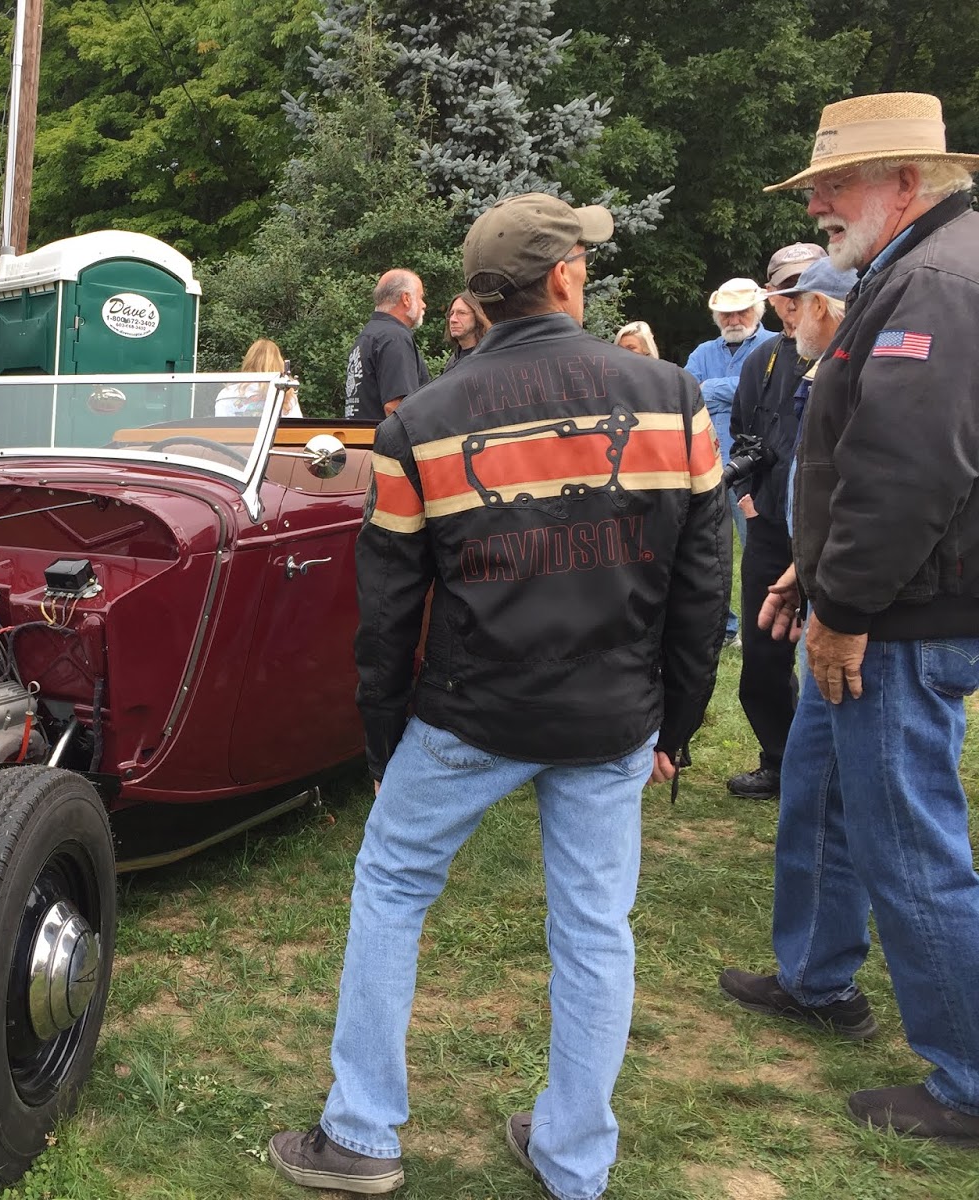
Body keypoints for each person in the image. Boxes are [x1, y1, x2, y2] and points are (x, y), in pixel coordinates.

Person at [269, 193, 728, 1198]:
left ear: (483, 293)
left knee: (390, 886)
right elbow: (702, 583)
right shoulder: (668, 399)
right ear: (563, 276)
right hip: (613, 716)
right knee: (594, 928)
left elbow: (386, 613)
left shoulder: (420, 424)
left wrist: (383, 748)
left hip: (470, 713)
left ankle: (359, 1136)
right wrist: (677, 727)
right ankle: (572, 1160)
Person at [719, 91, 979, 1147]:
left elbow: (910, 467)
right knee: (820, 790)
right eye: (813, 187)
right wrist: (808, 579)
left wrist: (849, 604)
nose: (816, 201)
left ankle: (966, 1079)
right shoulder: (909, 263)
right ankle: (819, 979)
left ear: (906, 180)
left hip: (899, 619)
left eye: (833, 182)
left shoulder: (937, 277)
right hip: (868, 596)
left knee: (905, 835)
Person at [721, 243, 826, 799]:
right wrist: (743, 492)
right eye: (784, 294)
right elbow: (745, 434)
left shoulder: (843, 349)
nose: (792, 306)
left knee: (828, 650)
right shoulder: (763, 360)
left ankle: (825, 771)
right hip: (768, 528)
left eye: (801, 292)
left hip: (829, 530)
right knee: (763, 653)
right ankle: (780, 760)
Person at [686, 277, 777, 645]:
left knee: (759, 549)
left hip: (759, 469)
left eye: (741, 311)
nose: (733, 318)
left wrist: (713, 388)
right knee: (709, 551)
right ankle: (724, 628)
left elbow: (765, 392)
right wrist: (733, 387)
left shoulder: (775, 345)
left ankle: (764, 623)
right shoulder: (702, 352)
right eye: (726, 313)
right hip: (708, 466)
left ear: (757, 311)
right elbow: (689, 394)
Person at [344, 269, 430, 420]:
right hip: (386, 442)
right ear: (406, 299)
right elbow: (396, 407)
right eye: (420, 297)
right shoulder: (394, 337)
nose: (424, 305)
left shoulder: (367, 335)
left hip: (361, 438)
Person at [214, 337, 302, 417]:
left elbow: (219, 429)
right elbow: (296, 429)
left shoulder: (227, 394)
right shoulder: (285, 394)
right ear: (278, 363)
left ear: (248, 361)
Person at [444, 291, 489, 359]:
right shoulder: (453, 361)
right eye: (451, 313)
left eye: (462, 313)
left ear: (478, 316)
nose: (453, 319)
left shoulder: (487, 358)